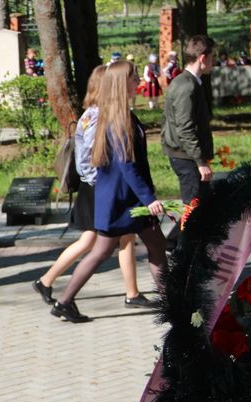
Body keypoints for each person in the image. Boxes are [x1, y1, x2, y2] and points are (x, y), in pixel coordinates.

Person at [50, 61, 168, 323]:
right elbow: (127, 166)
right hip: (122, 199)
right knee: (105, 251)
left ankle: (64, 301)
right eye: (134, 77)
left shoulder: (119, 114)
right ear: (120, 83)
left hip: (120, 198)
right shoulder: (117, 119)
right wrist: (149, 199)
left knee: (153, 244)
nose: (138, 80)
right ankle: (64, 301)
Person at [161, 35, 215, 250]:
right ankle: (182, 253)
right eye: (212, 57)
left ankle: (174, 243)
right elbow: (185, 127)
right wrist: (200, 161)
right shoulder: (186, 86)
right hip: (186, 157)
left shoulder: (191, 82)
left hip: (187, 154)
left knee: (197, 205)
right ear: (203, 58)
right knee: (192, 207)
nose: (214, 62)